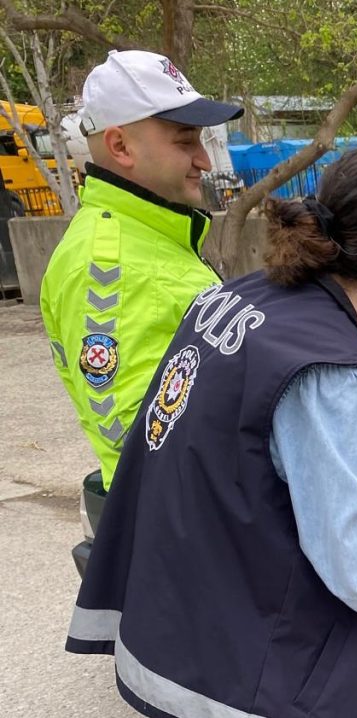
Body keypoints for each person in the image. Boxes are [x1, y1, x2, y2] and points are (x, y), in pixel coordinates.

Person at [65, 143, 357, 718]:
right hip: (252, 688)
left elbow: (246, 467)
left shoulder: (233, 300)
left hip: (174, 645)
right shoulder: (329, 372)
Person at [40, 49, 243, 490]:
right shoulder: (105, 265)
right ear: (120, 146)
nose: (205, 161)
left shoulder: (156, 237)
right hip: (188, 531)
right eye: (185, 141)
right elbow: (135, 436)